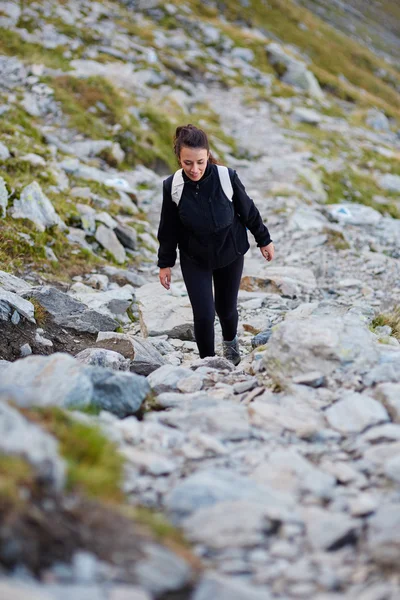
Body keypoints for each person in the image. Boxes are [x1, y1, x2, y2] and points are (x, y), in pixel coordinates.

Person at [157, 124, 274, 365]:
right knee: (203, 315)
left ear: (208, 155)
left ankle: (231, 347)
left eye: (200, 161)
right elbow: (168, 228)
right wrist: (165, 263)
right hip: (194, 257)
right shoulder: (173, 186)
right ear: (179, 158)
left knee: (226, 310)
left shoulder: (226, 177)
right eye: (188, 163)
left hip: (229, 253)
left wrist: (264, 239)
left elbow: (248, 210)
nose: (195, 169)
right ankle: (207, 363)